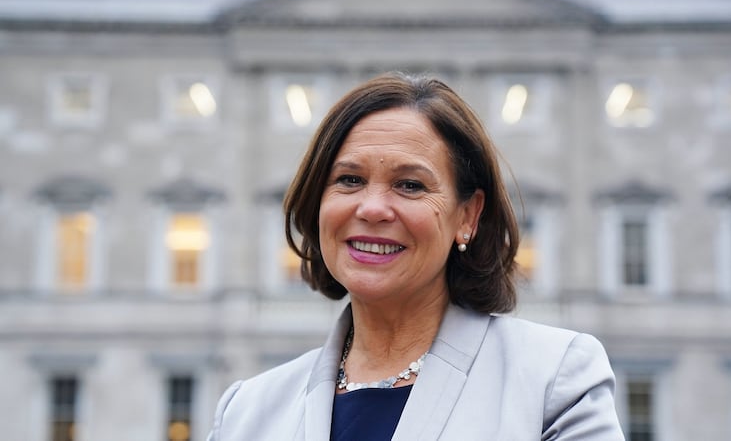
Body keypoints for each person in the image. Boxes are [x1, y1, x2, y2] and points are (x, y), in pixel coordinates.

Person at [207, 73, 624, 440]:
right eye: (349, 180)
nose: (371, 208)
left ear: (468, 215)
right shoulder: (246, 411)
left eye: (409, 186)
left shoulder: (555, 379)